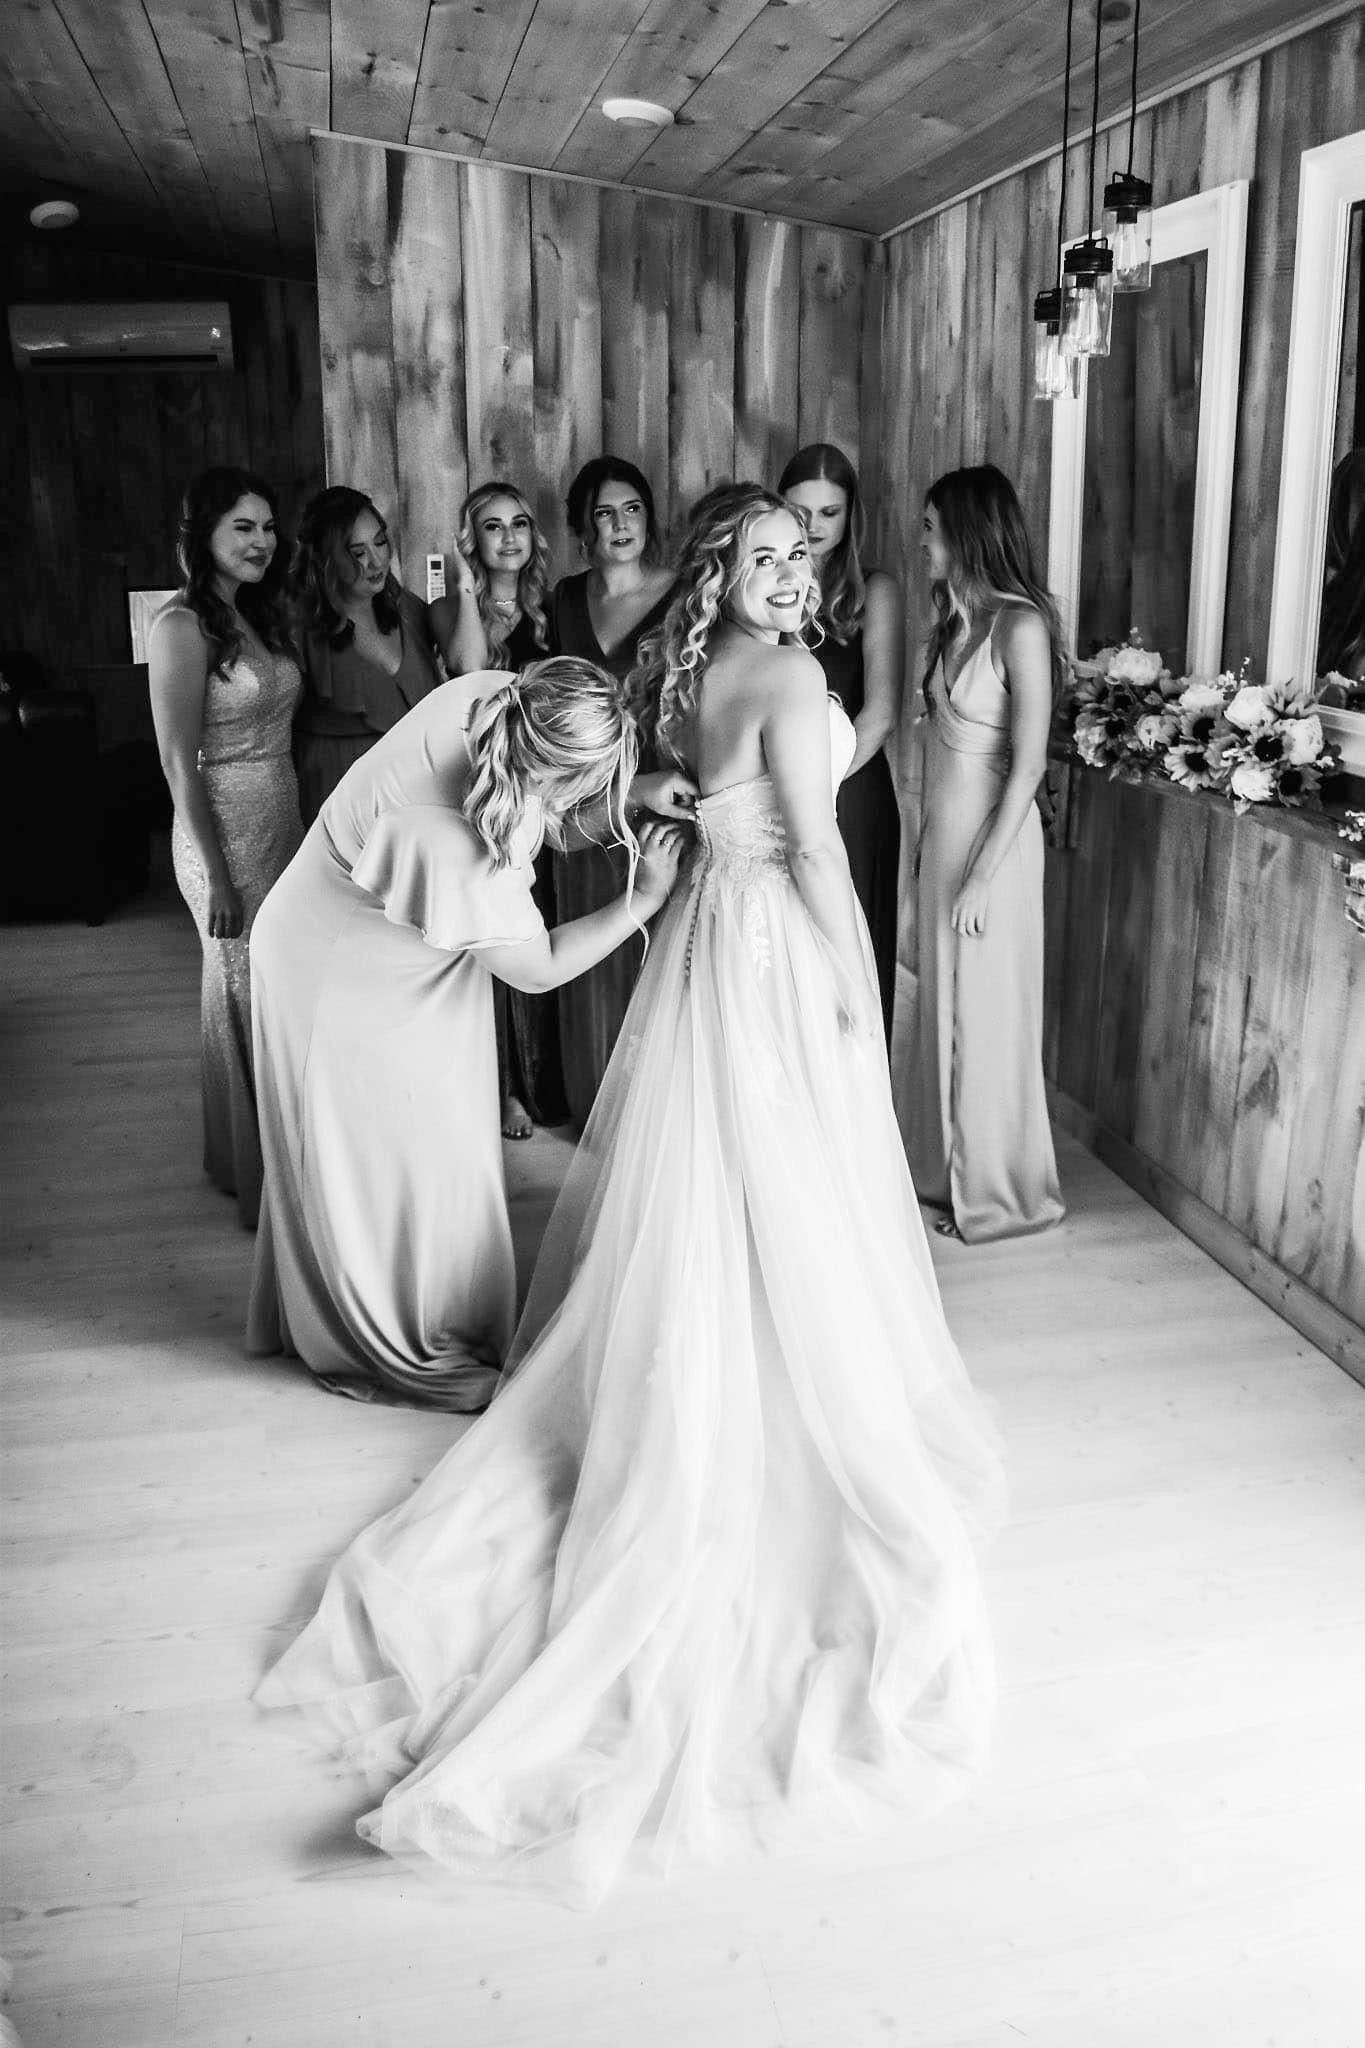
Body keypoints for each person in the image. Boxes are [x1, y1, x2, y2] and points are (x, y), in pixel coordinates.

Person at [255, 484, 1004, 1906]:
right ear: (731, 569)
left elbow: (683, 803)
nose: (793, 577)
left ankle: (714, 1356)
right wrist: (865, 992)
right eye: (768, 555)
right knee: (788, 1177)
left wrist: (667, 841)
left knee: (716, 1180)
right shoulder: (784, 677)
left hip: (710, 945)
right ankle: (781, 1393)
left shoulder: (701, 670)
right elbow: (825, 858)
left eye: (804, 556)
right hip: (775, 947)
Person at [245, 657, 686, 1412]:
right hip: (339, 973)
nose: (594, 800)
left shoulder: (495, 697)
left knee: (445, 1150)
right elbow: (538, 969)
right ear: (548, 770)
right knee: (389, 1164)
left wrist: (634, 789)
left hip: (408, 952)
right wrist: (639, 902)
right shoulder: (442, 836)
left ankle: (440, 1310)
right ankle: (399, 1347)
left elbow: (535, 808)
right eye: (589, 783)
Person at [902, 464, 1065, 1244]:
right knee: (939, 1002)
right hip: (943, 833)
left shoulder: (1019, 626)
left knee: (990, 1010)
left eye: (931, 527)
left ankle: (1002, 1194)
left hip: (995, 848)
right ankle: (944, 1172)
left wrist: (978, 877)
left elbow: (1028, 767)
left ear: (965, 531)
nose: (922, 540)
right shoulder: (950, 620)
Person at [149, 467, 301, 1228]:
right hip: (221, 829)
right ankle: (252, 1171)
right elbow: (179, 760)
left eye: (268, 527)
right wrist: (216, 876)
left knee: (276, 982)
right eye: (243, 527)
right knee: (240, 980)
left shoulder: (257, 617)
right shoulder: (181, 626)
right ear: (202, 534)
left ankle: (263, 1145)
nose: (261, 541)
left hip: (282, 813)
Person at [548, 457, 679, 1125]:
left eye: (631, 508)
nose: (620, 523)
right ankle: (595, 1103)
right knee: (589, 932)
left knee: (651, 934)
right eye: (604, 512)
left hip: (660, 786)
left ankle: (650, 1116)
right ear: (583, 529)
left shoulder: (680, 595)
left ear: (648, 518)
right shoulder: (566, 599)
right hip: (581, 792)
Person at [448, 482, 563, 1137]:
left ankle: (533, 1079)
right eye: (492, 528)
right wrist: (468, 587)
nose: (510, 537)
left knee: (530, 931)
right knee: (489, 938)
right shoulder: (451, 612)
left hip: (539, 790)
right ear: (473, 541)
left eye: (520, 523)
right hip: (480, 789)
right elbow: (467, 673)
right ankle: (497, 1091)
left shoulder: (548, 611)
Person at [779, 443, 903, 1045]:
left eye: (829, 512)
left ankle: (862, 1102)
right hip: (778, 790)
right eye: (800, 512)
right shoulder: (763, 586)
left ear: (851, 515)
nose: (814, 527)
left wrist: (819, 788)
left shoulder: (875, 590)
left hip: (852, 787)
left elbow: (880, 714)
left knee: (855, 941)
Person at [291, 487, 456, 827]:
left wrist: (466, 585)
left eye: (380, 543)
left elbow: (469, 666)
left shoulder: (408, 611)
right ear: (325, 558)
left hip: (417, 794)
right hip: (339, 795)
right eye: (357, 552)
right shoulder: (300, 630)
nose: (376, 561)